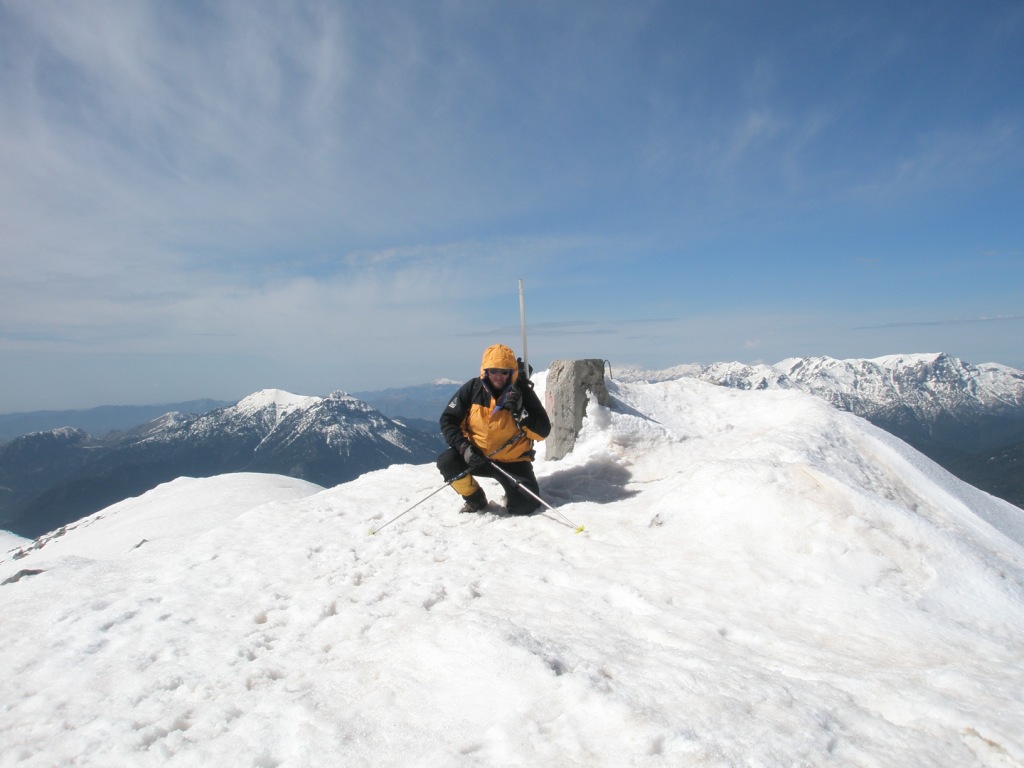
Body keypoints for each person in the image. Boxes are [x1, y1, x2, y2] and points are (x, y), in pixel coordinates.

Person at [437, 343, 551, 515]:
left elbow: (542, 432)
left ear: (511, 372)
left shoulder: (522, 393)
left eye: (504, 372)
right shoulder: (472, 389)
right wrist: (464, 448)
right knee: (448, 462)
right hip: (477, 457)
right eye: (493, 371)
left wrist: (521, 414)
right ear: (485, 371)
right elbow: (448, 420)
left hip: (514, 462)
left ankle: (513, 493)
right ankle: (475, 499)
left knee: (525, 507)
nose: (498, 376)